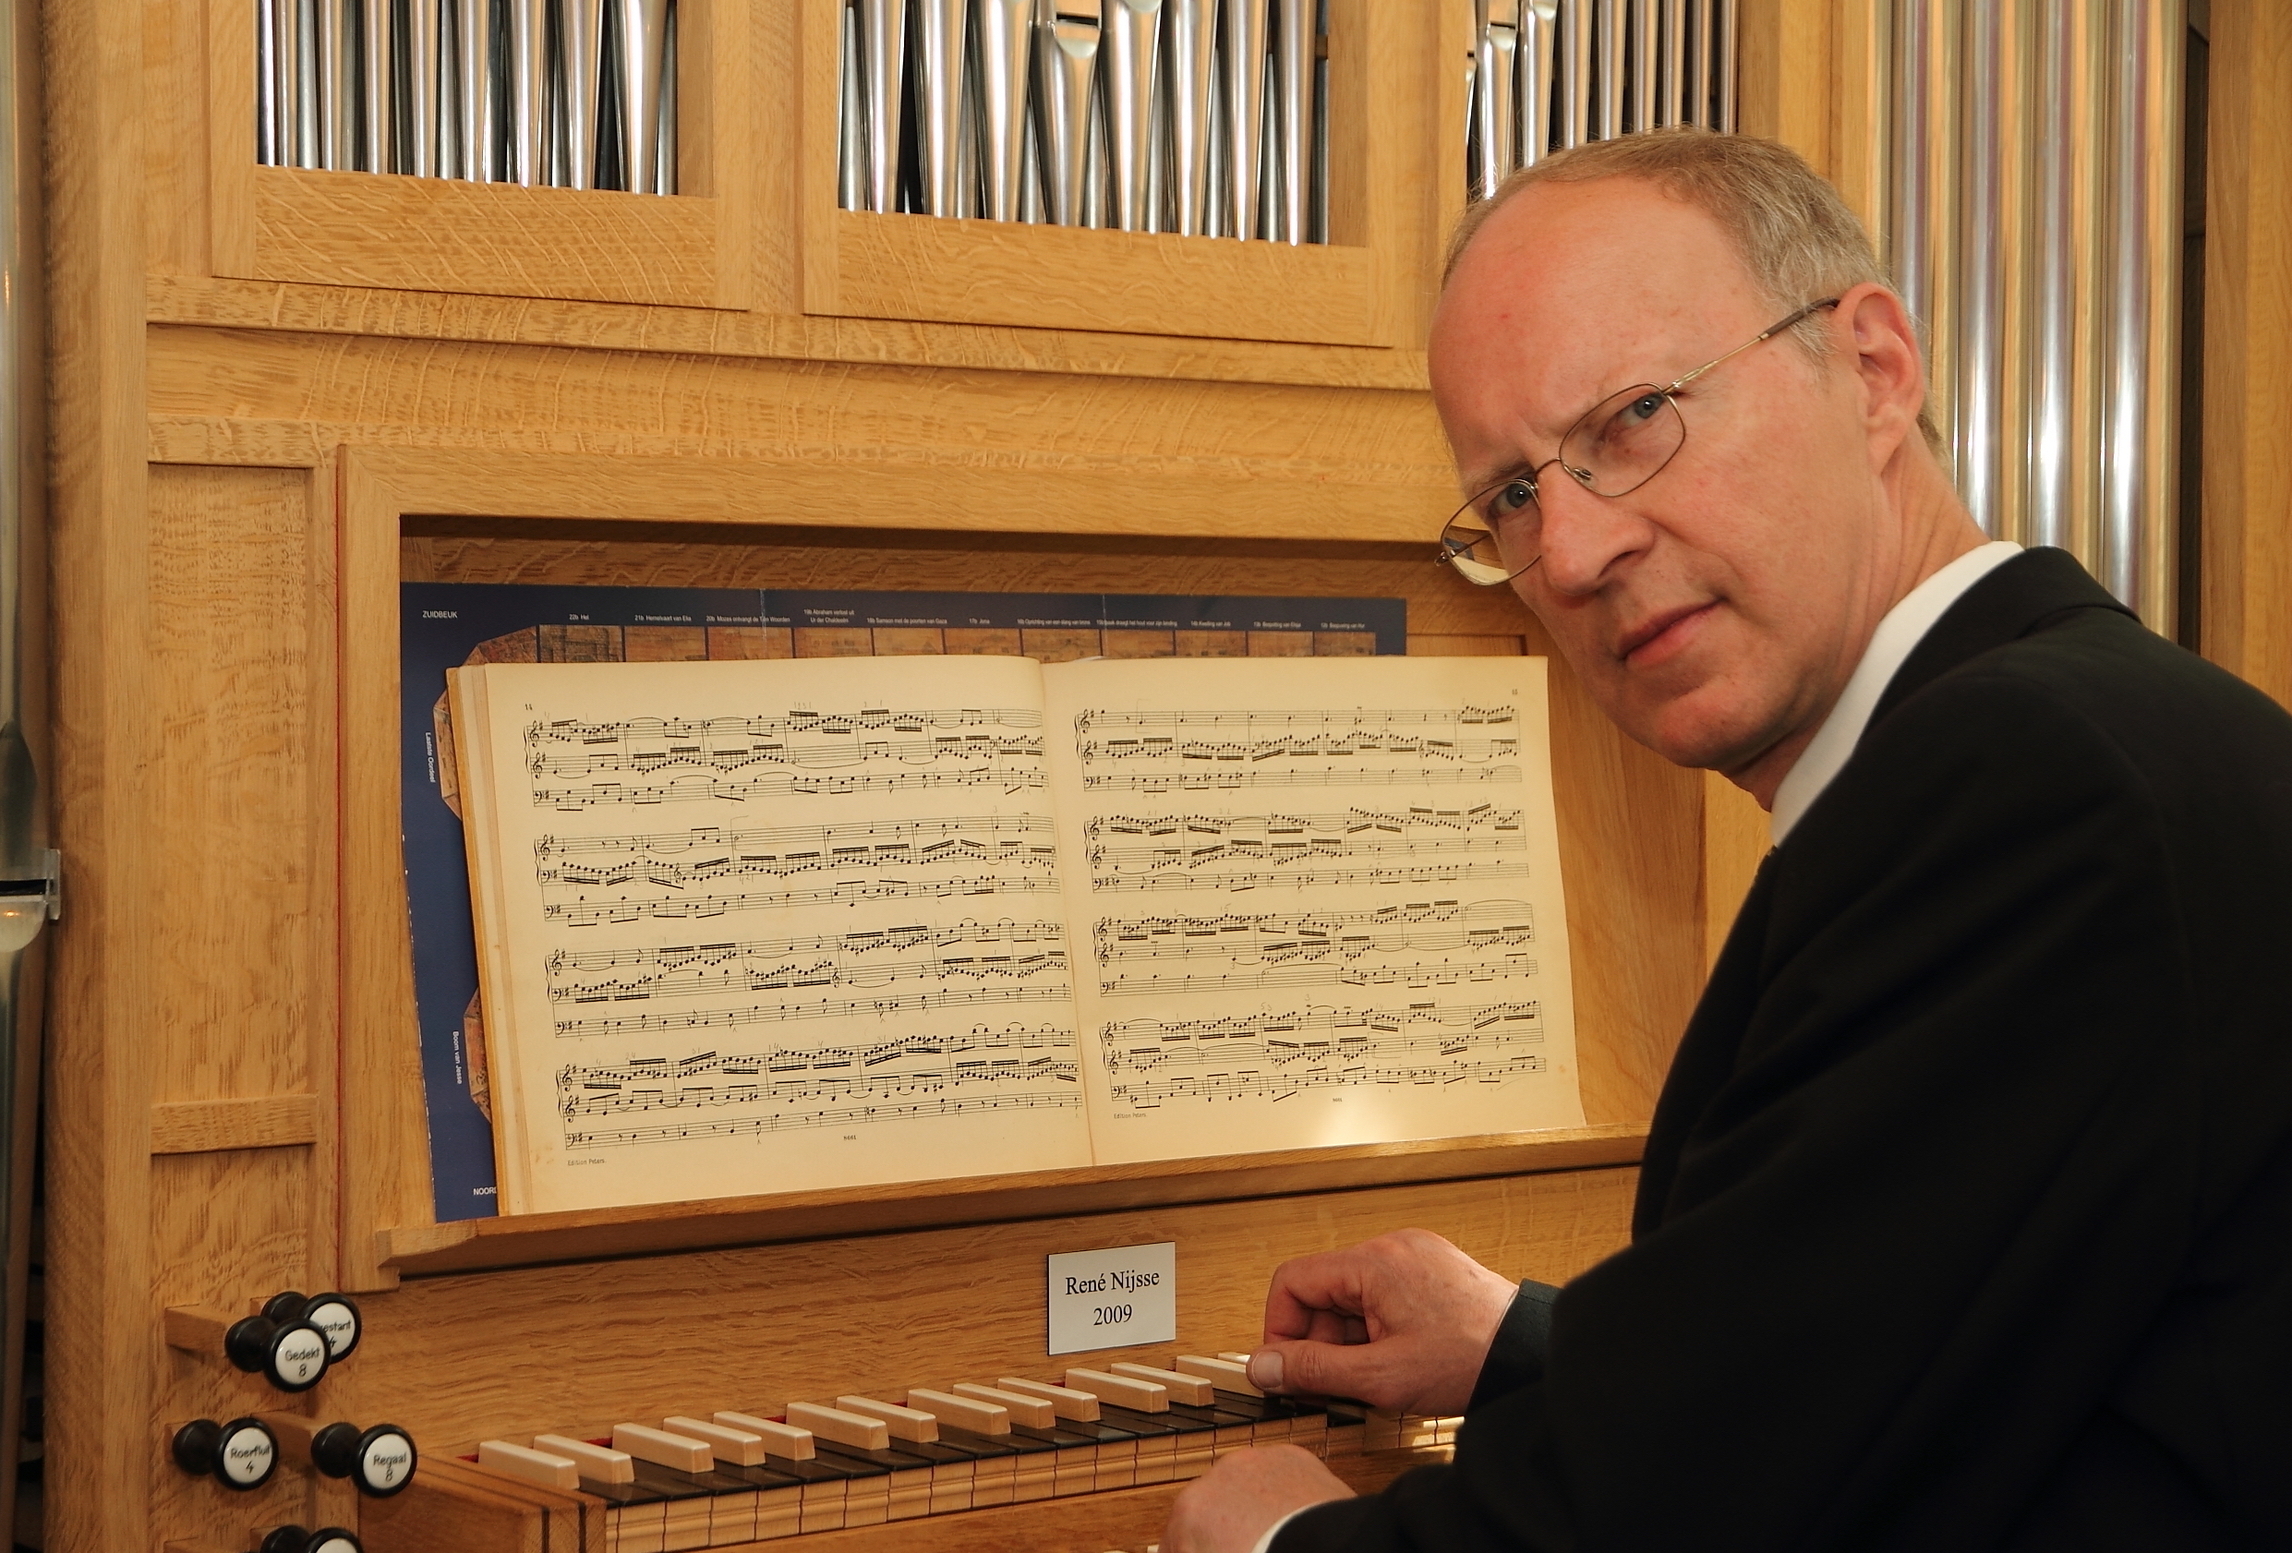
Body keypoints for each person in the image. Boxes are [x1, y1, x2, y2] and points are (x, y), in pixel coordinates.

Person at [1163, 129, 2292, 1553]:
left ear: (1874, 368)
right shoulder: (2064, 726)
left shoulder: (2021, 783)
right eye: (1512, 495)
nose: (1570, 556)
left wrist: (1279, 1541)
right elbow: (1915, 1345)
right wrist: (1527, 1340)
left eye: (1633, 417)